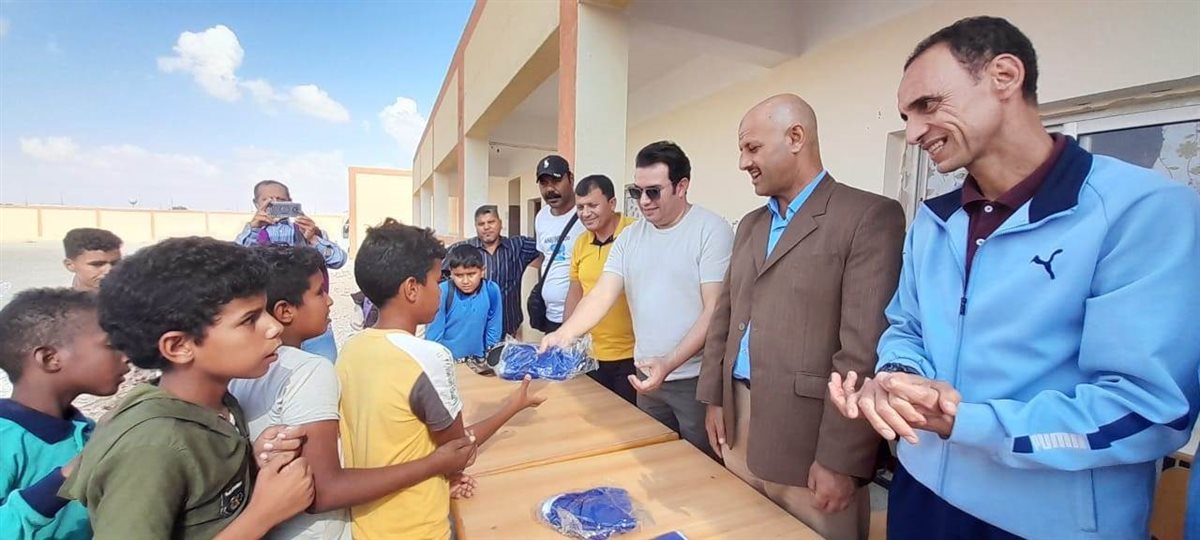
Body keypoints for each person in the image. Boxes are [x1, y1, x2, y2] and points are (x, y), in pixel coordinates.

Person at [828, 17, 1200, 540]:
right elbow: (907, 327)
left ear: (1004, 76)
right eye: (906, 117)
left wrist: (967, 423)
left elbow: (1150, 409)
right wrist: (897, 377)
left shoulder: (1143, 210)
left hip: (1048, 523)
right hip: (920, 491)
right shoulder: (934, 222)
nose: (912, 133)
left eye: (928, 105)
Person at [697, 94, 905, 539]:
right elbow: (726, 318)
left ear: (796, 137)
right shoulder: (751, 225)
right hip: (738, 422)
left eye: (752, 148)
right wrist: (715, 398)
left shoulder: (867, 216)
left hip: (809, 440)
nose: (743, 162)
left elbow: (863, 350)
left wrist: (841, 459)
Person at [60, 237, 315, 539]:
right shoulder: (151, 447)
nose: (274, 327)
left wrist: (250, 465)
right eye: (249, 319)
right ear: (178, 346)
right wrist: (263, 514)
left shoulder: (216, 405)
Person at [230, 245, 477, 540]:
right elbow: (326, 491)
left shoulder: (243, 371)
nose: (330, 300)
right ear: (285, 311)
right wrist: (434, 465)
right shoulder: (309, 371)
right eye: (319, 293)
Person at [339, 219, 546, 539]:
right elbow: (458, 452)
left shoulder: (351, 350)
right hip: (419, 528)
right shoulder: (429, 357)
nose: (441, 289)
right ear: (411, 289)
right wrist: (512, 406)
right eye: (438, 281)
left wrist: (439, 481)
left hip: (368, 526)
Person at [541, 142, 733, 457]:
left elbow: (714, 310)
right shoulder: (630, 238)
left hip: (693, 380)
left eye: (653, 192)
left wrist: (669, 363)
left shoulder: (710, 230)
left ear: (681, 186)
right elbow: (601, 294)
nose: (643, 201)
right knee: (651, 460)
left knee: (699, 467)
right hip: (646, 377)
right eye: (637, 192)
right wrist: (563, 334)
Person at [0, 288, 128, 539]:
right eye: (112, 345)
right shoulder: (5, 437)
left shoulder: (88, 430)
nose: (126, 357)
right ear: (50, 358)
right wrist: (61, 481)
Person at [235, 179, 346, 362]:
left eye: (281, 200)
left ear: (290, 202)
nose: (275, 204)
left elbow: (338, 259)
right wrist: (253, 229)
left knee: (324, 365)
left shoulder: (304, 230)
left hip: (310, 318)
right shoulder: (251, 234)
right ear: (256, 203)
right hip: (268, 324)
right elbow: (235, 264)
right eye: (267, 200)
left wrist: (313, 238)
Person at [564, 174, 637, 404]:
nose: (585, 213)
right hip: (592, 355)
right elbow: (576, 291)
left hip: (632, 356)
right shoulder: (580, 243)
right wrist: (566, 336)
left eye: (592, 205)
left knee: (630, 419)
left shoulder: (635, 233)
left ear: (612, 203)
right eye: (580, 207)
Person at [447, 206, 541, 338]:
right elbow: (438, 273)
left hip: (508, 326)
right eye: (481, 224)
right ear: (476, 226)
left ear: (500, 223)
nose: (486, 227)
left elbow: (547, 247)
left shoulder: (517, 246)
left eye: (491, 222)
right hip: (472, 328)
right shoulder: (462, 249)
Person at [532, 155, 585, 333]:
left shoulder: (586, 214)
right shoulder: (541, 217)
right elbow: (543, 257)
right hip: (551, 317)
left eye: (556, 181)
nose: (550, 189)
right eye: (544, 183)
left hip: (582, 316)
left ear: (571, 178)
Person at [426, 244, 503, 361]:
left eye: (471, 274)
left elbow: (494, 329)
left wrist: (490, 357)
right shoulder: (443, 292)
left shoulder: (491, 290)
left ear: (482, 271)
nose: (465, 281)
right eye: (459, 275)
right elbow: (434, 336)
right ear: (451, 273)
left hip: (479, 361)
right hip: (449, 362)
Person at [61, 228, 122, 292]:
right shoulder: (58, 298)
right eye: (97, 264)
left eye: (116, 263)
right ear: (70, 265)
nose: (109, 270)